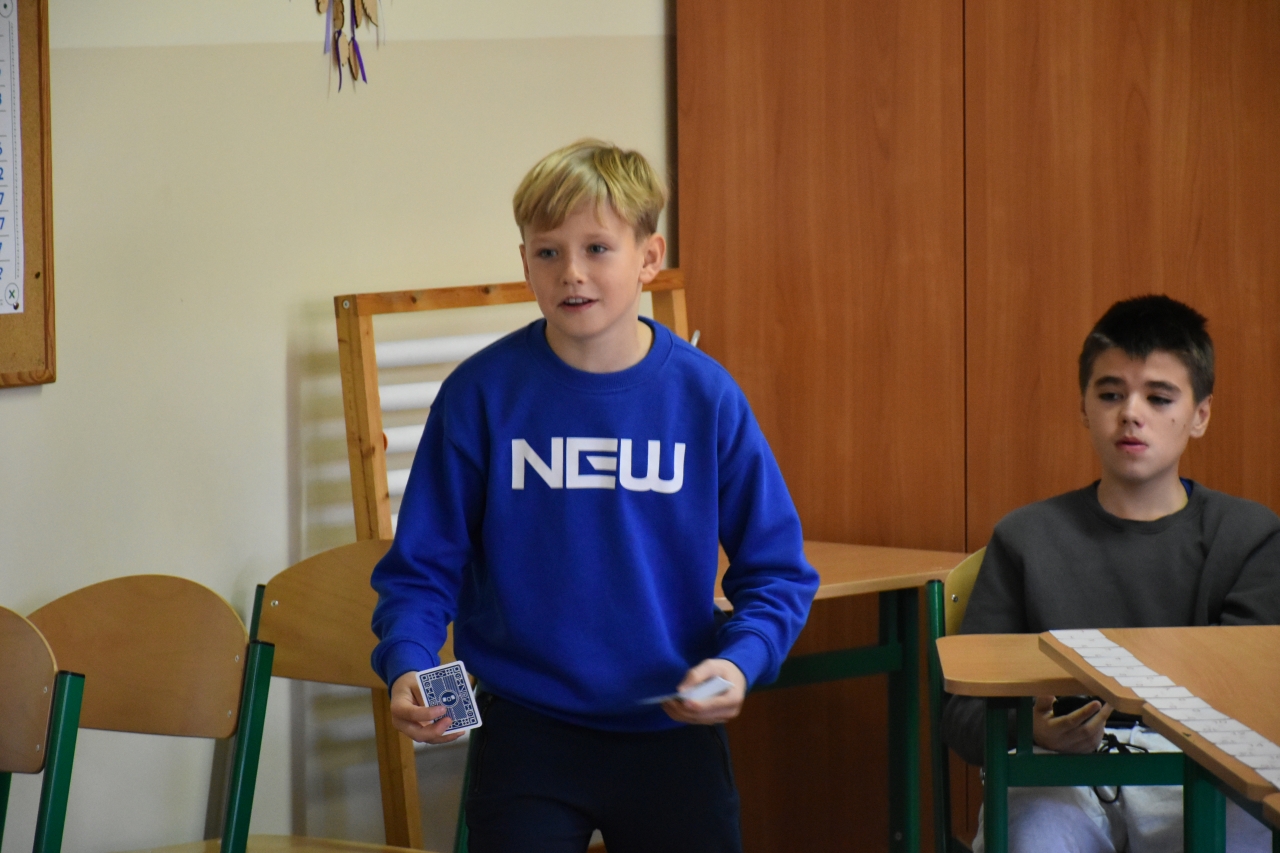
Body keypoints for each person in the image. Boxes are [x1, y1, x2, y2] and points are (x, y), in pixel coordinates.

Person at [370, 139, 819, 853]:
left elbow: (778, 572)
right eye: (548, 252)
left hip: (673, 726)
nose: (571, 272)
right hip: (524, 727)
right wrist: (412, 663)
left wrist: (740, 661)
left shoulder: (705, 396)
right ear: (524, 263)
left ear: (649, 257)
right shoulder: (479, 394)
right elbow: (422, 569)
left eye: (597, 249)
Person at [942, 295, 1280, 853]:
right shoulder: (1026, 537)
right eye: (1110, 394)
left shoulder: (1249, 537)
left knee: (1245, 828)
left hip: (1203, 768)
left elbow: (1259, 702)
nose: (1131, 414)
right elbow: (961, 715)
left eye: (1159, 397)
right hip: (1057, 773)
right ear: (1084, 407)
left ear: (1200, 414)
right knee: (1034, 836)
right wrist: (1030, 728)